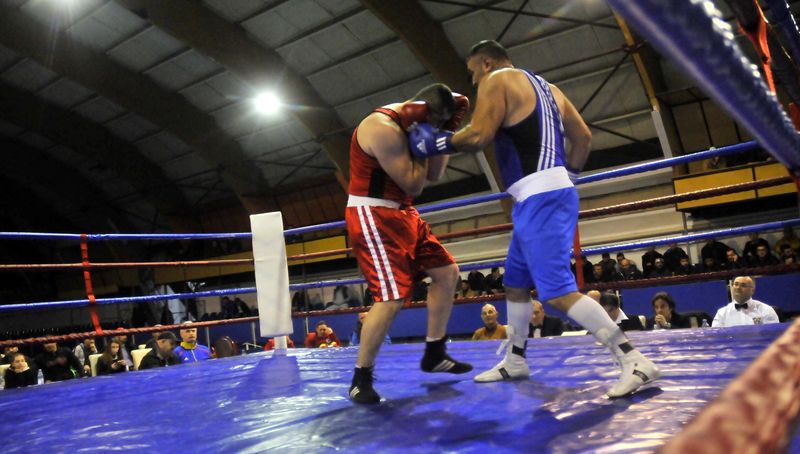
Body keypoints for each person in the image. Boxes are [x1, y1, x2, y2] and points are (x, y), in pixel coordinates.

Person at [409, 40, 658, 396]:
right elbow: (583, 138)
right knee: (514, 282)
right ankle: (516, 359)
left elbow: (479, 135)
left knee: (557, 293)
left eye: (473, 73)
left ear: (486, 63)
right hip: (541, 196)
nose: (474, 81)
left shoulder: (497, 79)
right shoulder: (550, 89)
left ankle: (634, 360)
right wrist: (565, 178)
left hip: (541, 198)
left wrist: (435, 144)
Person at [345, 83, 473, 404]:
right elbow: (415, 183)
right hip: (373, 213)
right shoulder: (383, 129)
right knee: (391, 297)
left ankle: (435, 353)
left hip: (404, 212)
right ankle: (361, 377)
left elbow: (434, 175)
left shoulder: (423, 121)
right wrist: (426, 142)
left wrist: (444, 134)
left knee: (447, 273)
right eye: (434, 124)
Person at [712, 276, 779, 327]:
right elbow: (716, 336)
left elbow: (773, 334)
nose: (738, 288)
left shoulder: (766, 310)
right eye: (736, 284)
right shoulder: (721, 313)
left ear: (752, 290)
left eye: (743, 285)